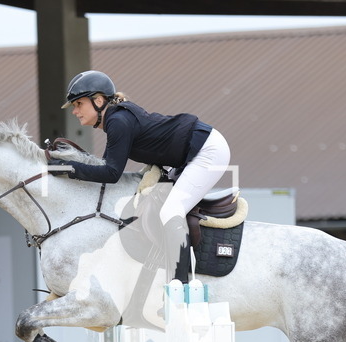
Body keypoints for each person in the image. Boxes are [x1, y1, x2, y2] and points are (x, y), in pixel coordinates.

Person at [57, 70, 231, 282]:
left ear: (99, 101)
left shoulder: (118, 121)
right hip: (194, 151)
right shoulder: (115, 119)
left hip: (207, 151)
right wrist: (66, 166)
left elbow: (111, 173)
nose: (75, 111)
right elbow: (104, 168)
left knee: (170, 211)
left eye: (79, 104)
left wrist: (65, 167)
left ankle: (180, 286)